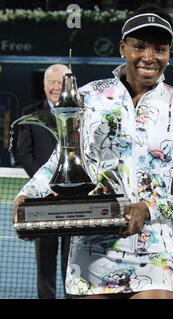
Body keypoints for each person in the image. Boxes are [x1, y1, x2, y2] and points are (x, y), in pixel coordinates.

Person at [13, 4, 173, 299]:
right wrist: (26, 195)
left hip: (153, 253)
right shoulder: (89, 97)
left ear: (169, 53)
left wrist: (147, 210)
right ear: (122, 48)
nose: (149, 57)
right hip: (90, 253)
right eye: (139, 46)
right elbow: (60, 160)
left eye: (160, 48)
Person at [16, 63, 71, 299]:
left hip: (73, 202)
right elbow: (23, 154)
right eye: (52, 82)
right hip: (43, 203)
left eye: (61, 83)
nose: (56, 87)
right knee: (45, 264)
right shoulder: (30, 114)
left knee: (73, 265)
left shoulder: (80, 114)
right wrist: (46, 185)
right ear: (44, 84)